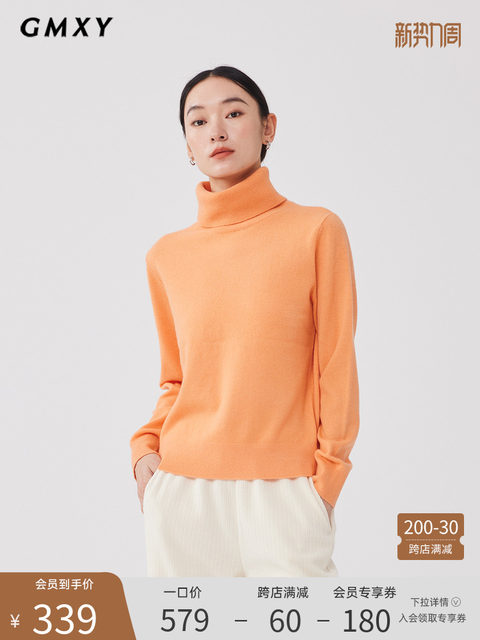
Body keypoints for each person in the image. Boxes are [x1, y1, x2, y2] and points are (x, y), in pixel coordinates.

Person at [130, 65, 360, 577]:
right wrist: (145, 448)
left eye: (234, 113)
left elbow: (336, 364)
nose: (216, 130)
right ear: (188, 145)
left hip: (287, 492)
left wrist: (327, 478)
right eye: (198, 121)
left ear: (268, 127)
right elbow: (176, 378)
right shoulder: (166, 255)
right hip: (183, 491)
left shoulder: (316, 230)